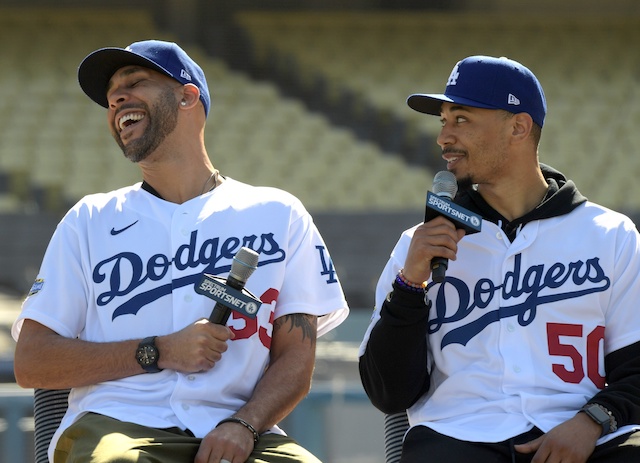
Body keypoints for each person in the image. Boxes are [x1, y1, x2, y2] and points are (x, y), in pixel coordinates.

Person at [12, 40, 349, 463]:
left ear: (188, 96)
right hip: (119, 425)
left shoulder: (279, 214)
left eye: (135, 83)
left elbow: (297, 359)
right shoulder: (89, 219)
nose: (116, 99)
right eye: (112, 96)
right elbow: (32, 362)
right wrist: (159, 350)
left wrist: (244, 424)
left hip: (242, 430)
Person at [358, 55, 640, 462]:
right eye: (442, 121)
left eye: (461, 119)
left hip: (589, 434)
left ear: (518, 127)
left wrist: (592, 420)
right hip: (457, 438)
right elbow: (388, 394)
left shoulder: (610, 235)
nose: (443, 138)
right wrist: (410, 283)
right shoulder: (416, 246)